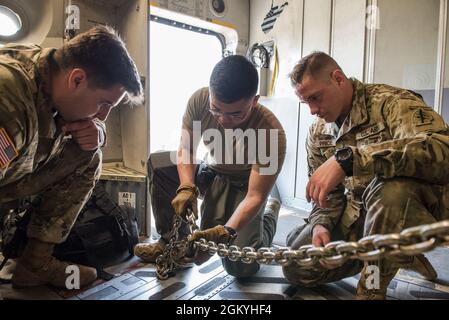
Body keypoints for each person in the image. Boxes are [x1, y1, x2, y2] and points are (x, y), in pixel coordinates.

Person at [283, 51, 449, 299]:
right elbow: (328, 197)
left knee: (390, 192)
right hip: (364, 217)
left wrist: (351, 160)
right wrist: (320, 226)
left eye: (315, 97)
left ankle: (371, 289)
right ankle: (402, 253)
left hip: (418, 211)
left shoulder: (391, 103)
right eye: (305, 102)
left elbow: (442, 149)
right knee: (297, 267)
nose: (312, 110)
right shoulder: (318, 132)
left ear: (338, 79)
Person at [0, 26, 143, 288]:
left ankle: (35, 264)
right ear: (77, 80)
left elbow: (88, 128)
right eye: (103, 104)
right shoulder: (9, 101)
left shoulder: (53, 77)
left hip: (10, 176)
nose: (102, 116)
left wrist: (98, 133)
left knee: (88, 155)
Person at [134, 55, 286, 277]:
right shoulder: (199, 100)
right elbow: (186, 150)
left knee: (240, 267)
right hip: (212, 174)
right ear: (211, 94)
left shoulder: (271, 133)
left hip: (246, 186)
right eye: (216, 110)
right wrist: (186, 187)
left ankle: (269, 216)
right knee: (159, 163)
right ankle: (171, 241)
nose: (223, 120)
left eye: (235, 114)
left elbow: (255, 195)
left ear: (254, 101)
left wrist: (226, 231)